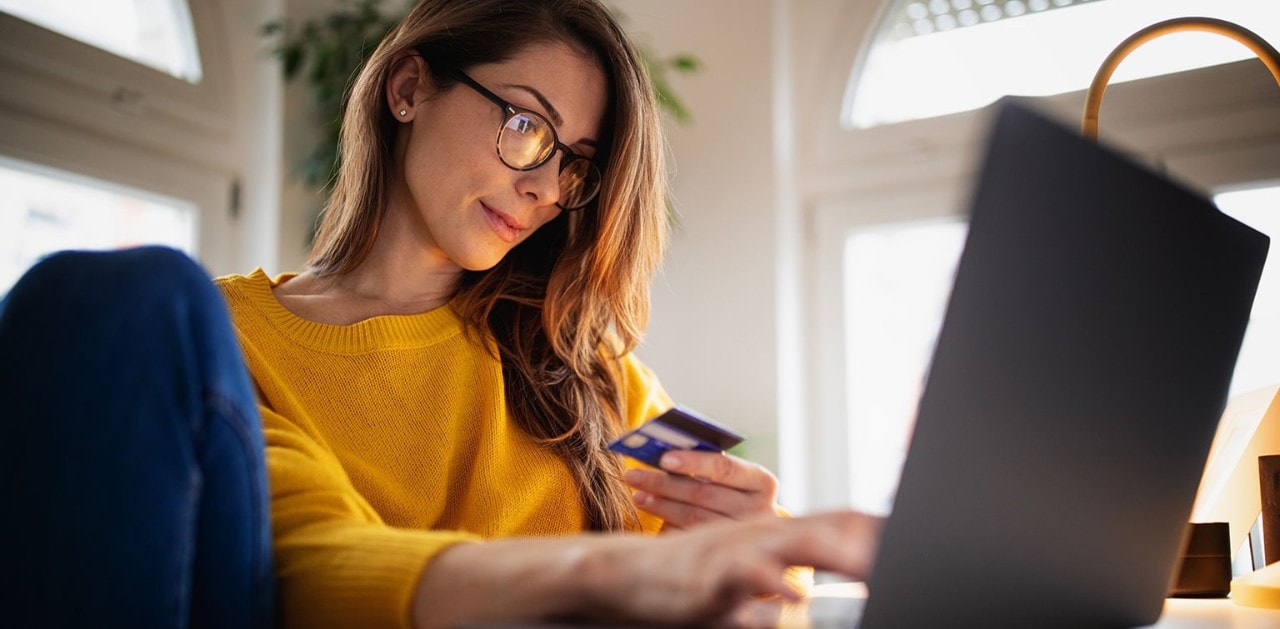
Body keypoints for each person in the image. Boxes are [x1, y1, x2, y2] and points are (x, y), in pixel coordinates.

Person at [0, 0, 881, 627]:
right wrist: (597, 575)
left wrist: (761, 582)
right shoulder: (222, 337)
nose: (544, 188)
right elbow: (309, 556)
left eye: (573, 163)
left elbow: (742, 602)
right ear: (410, 88)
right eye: (527, 127)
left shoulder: (591, 374)